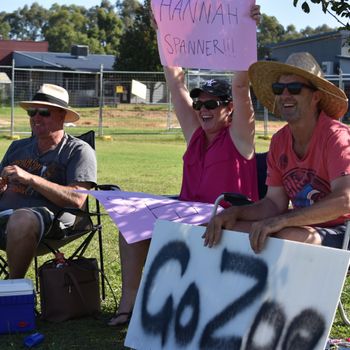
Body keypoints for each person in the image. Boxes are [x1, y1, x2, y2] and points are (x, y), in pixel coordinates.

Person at [108, 5, 262, 326]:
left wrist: (247, 35)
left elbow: (240, 87)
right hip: (187, 213)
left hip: (227, 219)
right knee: (131, 223)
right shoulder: (195, 134)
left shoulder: (240, 137)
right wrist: (162, 32)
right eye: (199, 104)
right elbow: (175, 83)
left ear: (229, 109)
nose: (203, 109)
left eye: (212, 104)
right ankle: (129, 305)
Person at [203, 51, 350, 255]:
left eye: (295, 88)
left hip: (342, 230)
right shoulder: (280, 141)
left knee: (281, 238)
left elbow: (345, 201)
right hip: (299, 226)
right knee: (229, 230)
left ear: (316, 97)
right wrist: (236, 212)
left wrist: (282, 221)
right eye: (279, 88)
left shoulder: (337, 137)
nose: (285, 95)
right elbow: (274, 203)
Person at [0, 83, 97, 278]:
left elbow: (78, 199)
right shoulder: (17, 147)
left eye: (44, 112)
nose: (36, 117)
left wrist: (31, 179)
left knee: (21, 218)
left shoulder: (78, 150)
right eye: (32, 112)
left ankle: (13, 288)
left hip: (51, 223)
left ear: (62, 116)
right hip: (4, 217)